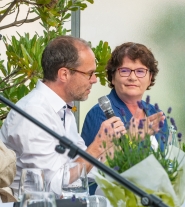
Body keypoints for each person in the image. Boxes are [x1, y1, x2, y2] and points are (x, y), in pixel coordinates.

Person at [0, 35, 126, 198]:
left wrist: (111, 152)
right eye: (90, 73)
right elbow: (52, 187)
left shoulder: (63, 109)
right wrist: (97, 147)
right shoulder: (34, 112)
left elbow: (81, 168)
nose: (94, 80)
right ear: (64, 74)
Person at [81, 42, 167, 194]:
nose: (133, 77)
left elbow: (166, 161)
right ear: (112, 77)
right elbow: (99, 170)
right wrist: (132, 138)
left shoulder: (155, 113)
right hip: (111, 200)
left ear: (150, 77)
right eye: (125, 71)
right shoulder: (100, 113)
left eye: (140, 71)